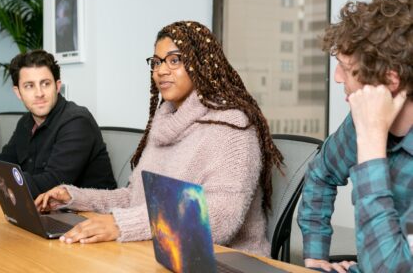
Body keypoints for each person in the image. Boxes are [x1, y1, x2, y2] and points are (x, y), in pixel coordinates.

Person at [34, 21, 283, 256]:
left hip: (223, 259)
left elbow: (221, 218)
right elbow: (135, 199)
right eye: (156, 62)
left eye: (175, 60)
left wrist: (123, 225)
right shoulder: (164, 123)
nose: (161, 70)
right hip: (161, 253)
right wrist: (74, 197)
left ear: (202, 64)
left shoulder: (232, 126)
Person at [297, 0, 413, 273]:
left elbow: (390, 269)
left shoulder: (368, 127)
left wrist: (372, 141)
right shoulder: (358, 122)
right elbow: (320, 175)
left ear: (391, 80)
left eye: (347, 69)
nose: (337, 78)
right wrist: (316, 258)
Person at [0, 50, 116, 199]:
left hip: (90, 219)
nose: (39, 93)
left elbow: (51, 184)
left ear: (57, 86)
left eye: (45, 84)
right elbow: (0, 166)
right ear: (18, 92)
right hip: (46, 212)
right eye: (29, 86)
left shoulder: (77, 122)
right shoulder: (25, 123)